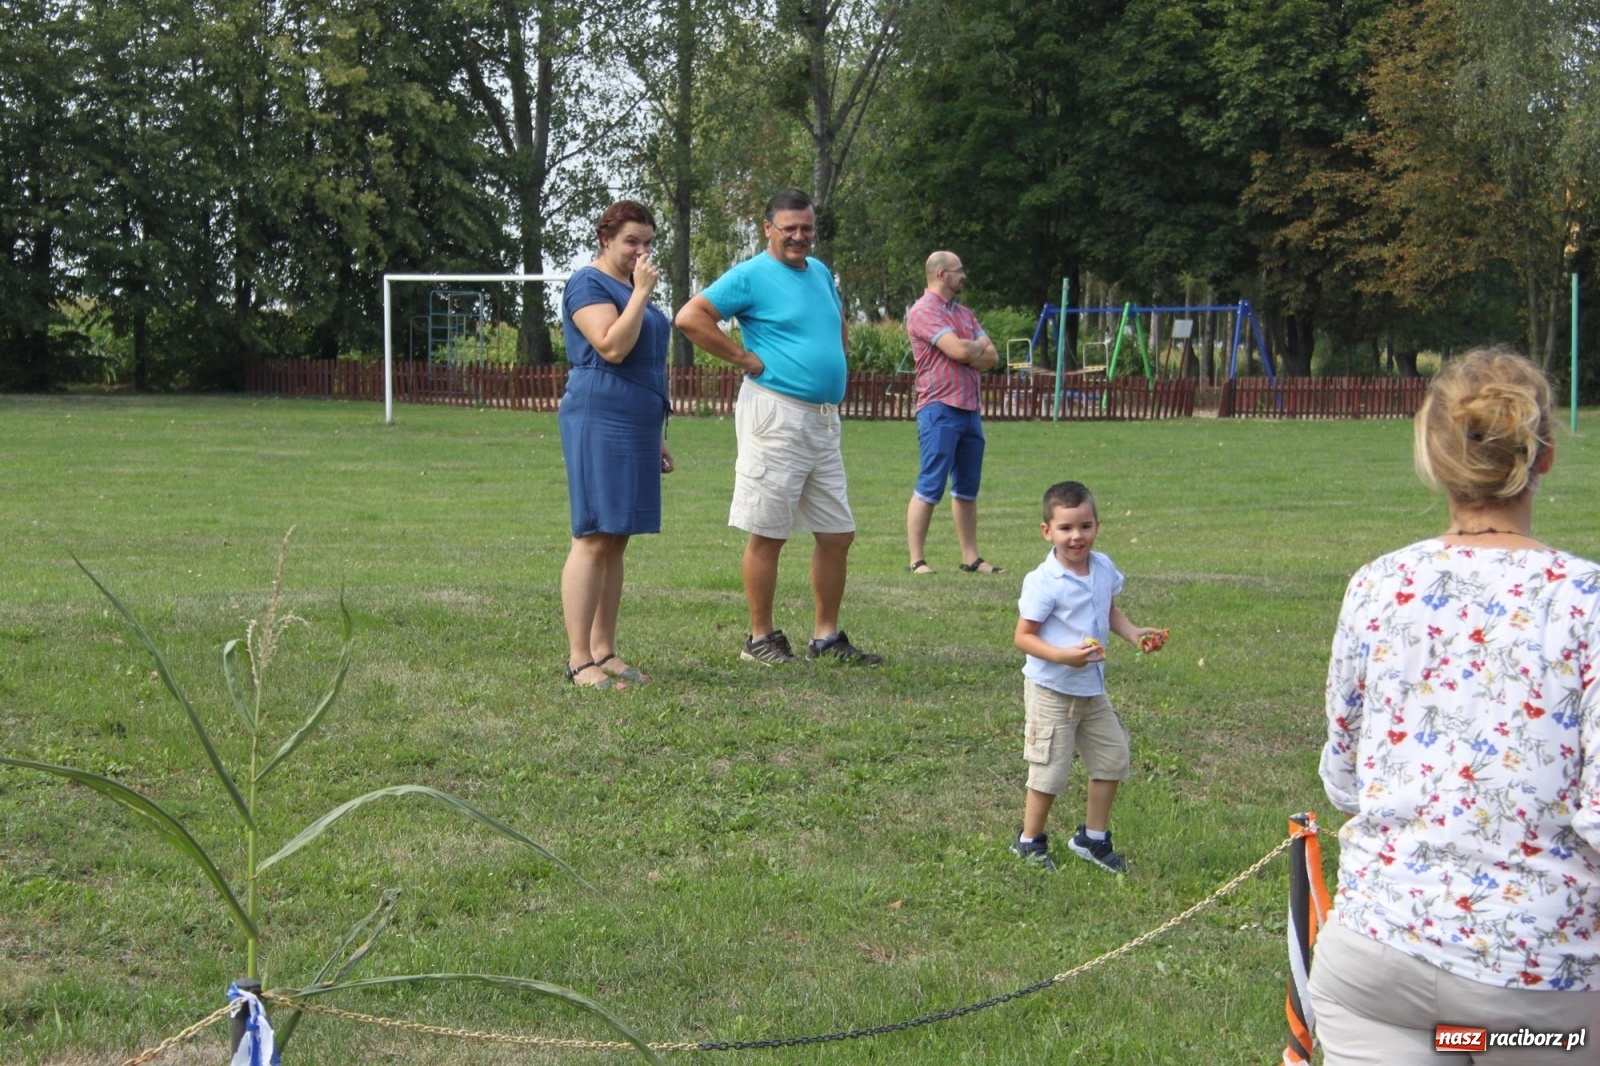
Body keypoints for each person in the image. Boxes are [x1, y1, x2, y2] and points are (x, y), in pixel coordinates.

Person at [1309, 347, 1600, 1062]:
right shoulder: (1586, 600)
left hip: (1377, 950)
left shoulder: (1379, 585)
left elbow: (1344, 775)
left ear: (1436, 461)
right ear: (1545, 456)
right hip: (1539, 971)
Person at [674, 188, 882, 666]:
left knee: (837, 532)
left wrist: (835, 356)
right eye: (788, 227)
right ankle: (759, 638)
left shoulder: (822, 272)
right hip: (776, 415)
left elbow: (834, 325)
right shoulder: (751, 275)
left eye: (806, 227)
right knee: (769, 531)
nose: (798, 236)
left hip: (824, 421)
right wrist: (744, 358)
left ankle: (826, 638)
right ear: (767, 227)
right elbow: (690, 317)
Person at [1010, 480, 1164, 873]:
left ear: (1097, 525)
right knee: (1049, 771)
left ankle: (1091, 839)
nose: (1076, 536)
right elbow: (1023, 637)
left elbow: (1107, 608)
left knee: (1112, 758)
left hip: (1091, 689)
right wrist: (1063, 656)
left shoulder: (1103, 567)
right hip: (1053, 690)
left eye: (1085, 526)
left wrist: (1132, 633)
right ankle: (1029, 843)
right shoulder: (1044, 581)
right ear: (1047, 531)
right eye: (1065, 528)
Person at [558, 200, 673, 690]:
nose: (641, 251)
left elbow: (647, 361)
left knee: (618, 536)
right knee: (592, 535)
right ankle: (579, 658)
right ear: (606, 239)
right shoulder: (588, 283)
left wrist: (659, 432)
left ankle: (604, 649)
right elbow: (611, 346)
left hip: (638, 421)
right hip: (597, 415)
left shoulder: (632, 288)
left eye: (648, 242)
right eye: (631, 241)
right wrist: (642, 295)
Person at [903, 250, 1002, 576]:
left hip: (970, 409)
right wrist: (969, 349)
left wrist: (966, 352)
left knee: (967, 488)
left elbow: (992, 357)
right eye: (959, 271)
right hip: (939, 408)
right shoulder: (922, 312)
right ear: (942, 274)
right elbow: (963, 350)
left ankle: (971, 558)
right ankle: (917, 560)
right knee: (931, 484)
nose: (964, 276)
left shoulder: (964, 313)